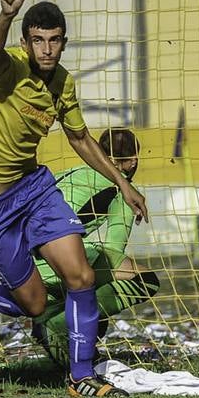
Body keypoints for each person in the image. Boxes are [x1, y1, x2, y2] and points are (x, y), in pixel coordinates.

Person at [0, 0, 149, 398]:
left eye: (54, 40)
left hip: (34, 190)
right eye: (38, 40)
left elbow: (79, 137)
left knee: (80, 276)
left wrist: (124, 183)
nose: (47, 49)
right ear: (25, 42)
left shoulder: (62, 82)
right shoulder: (10, 69)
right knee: (37, 304)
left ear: (63, 42)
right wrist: (5, 15)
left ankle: (81, 377)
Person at [32, 127, 160, 367]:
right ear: (132, 161)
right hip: (52, 265)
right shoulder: (121, 190)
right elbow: (113, 250)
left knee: (91, 289)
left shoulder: (72, 172)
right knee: (144, 280)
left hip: (21, 263)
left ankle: (51, 317)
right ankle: (58, 326)